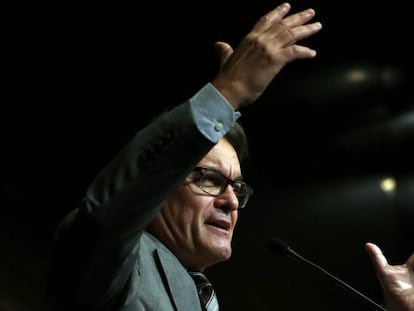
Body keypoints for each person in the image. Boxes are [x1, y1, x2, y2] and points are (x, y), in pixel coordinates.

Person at [45, 2, 414, 311]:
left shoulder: (206, 298)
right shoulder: (112, 259)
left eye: (237, 187)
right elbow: (115, 207)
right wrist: (226, 94)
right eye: (209, 179)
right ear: (159, 188)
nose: (231, 200)